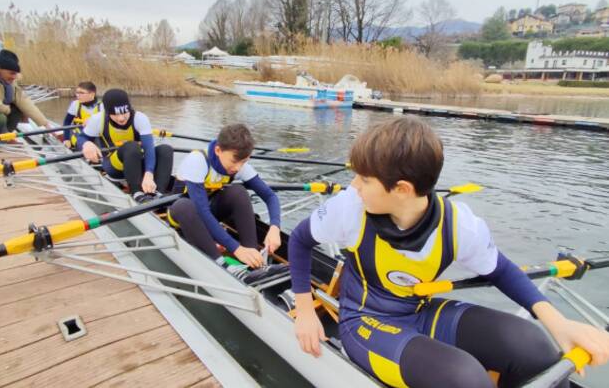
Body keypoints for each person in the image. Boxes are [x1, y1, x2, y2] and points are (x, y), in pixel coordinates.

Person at [288, 116, 609, 388]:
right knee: (465, 378)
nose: (354, 185)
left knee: (533, 347)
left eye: (365, 179)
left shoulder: (460, 225)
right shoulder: (349, 208)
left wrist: (559, 324)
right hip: (363, 321)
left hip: (419, 312)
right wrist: (304, 312)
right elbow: (300, 241)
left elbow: (500, 271)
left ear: (402, 189)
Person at [168, 123, 284, 284]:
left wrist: (275, 227)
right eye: (235, 161)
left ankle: (254, 260)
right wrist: (235, 248)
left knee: (238, 192)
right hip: (182, 217)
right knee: (185, 206)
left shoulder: (238, 163)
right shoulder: (198, 160)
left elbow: (270, 196)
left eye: (244, 162)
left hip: (208, 215)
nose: (238, 167)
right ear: (218, 150)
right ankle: (222, 265)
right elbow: (202, 212)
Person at [77, 88, 173, 203]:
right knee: (132, 146)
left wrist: (149, 173)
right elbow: (81, 137)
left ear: (129, 108)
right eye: (115, 114)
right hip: (114, 166)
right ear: (108, 112)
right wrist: (86, 144)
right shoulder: (97, 119)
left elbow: (149, 148)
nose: (121, 118)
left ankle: (158, 192)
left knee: (166, 149)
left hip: (136, 163)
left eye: (124, 112)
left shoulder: (140, 118)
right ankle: (136, 192)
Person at [0, 49, 49, 133]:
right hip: (1, 111)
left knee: (19, 110)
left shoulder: (12, 84)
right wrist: (8, 110)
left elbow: (25, 102)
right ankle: (4, 136)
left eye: (15, 74)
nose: (14, 77)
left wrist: (45, 124)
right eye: (11, 73)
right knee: (1, 118)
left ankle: (7, 135)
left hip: (3, 110)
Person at [62, 81, 102, 148]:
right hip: (78, 132)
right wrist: (66, 139)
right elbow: (67, 122)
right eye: (77, 92)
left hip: (94, 133)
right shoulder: (75, 104)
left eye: (81, 93)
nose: (78, 95)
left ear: (92, 94)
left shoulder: (101, 106)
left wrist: (92, 120)